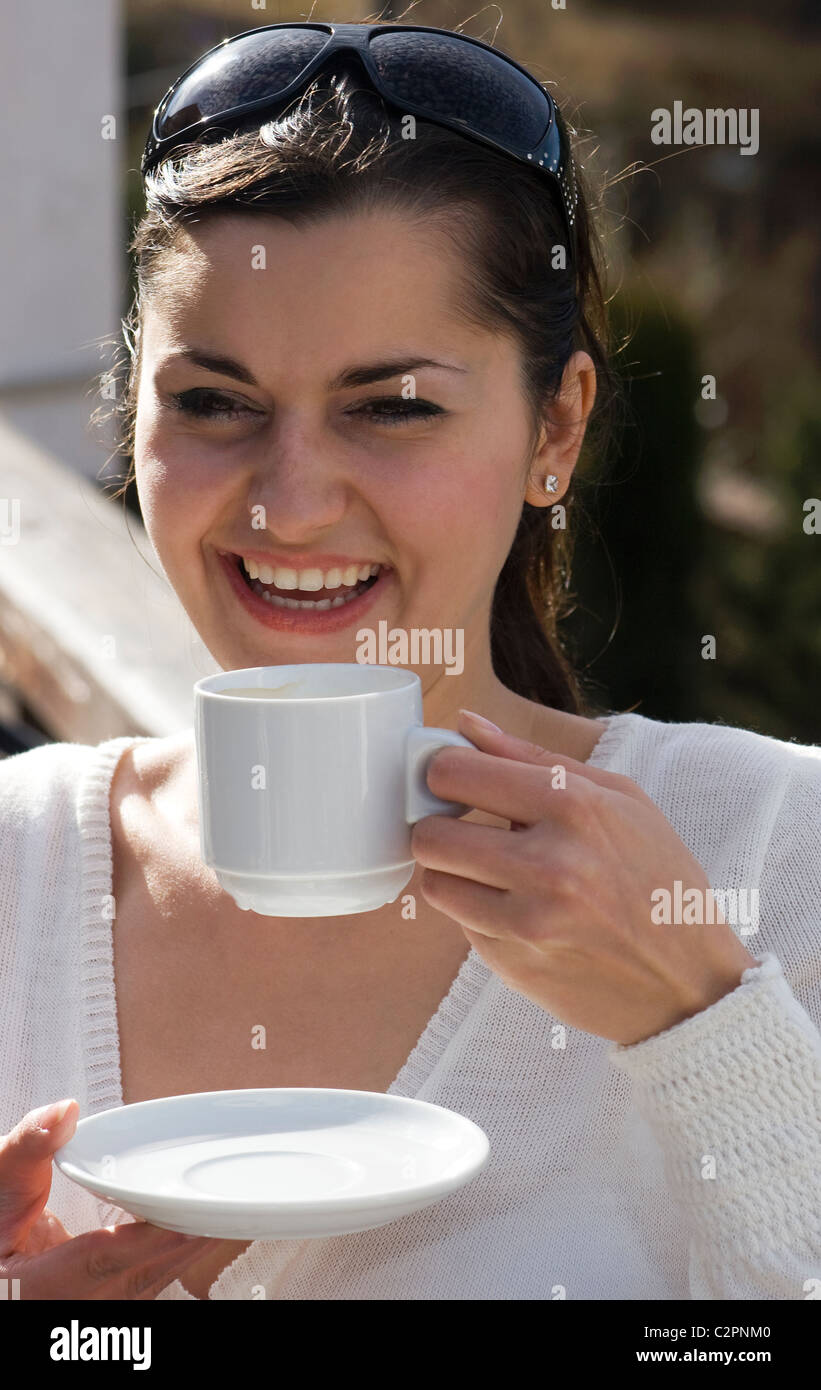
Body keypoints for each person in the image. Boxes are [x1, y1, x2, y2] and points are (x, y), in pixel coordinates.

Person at [1, 20, 819, 1302]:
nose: (290, 502)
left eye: (390, 408)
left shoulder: (775, 848)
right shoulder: (15, 861)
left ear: (555, 426)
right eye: (215, 402)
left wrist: (703, 1022)